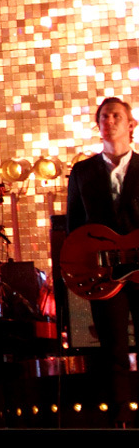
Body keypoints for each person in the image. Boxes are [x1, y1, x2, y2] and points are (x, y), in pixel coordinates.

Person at [67, 96, 139, 424]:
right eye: (103, 117)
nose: (108, 121)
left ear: (131, 125)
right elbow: (74, 227)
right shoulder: (82, 171)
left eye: (115, 116)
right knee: (113, 351)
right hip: (105, 274)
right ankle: (120, 420)